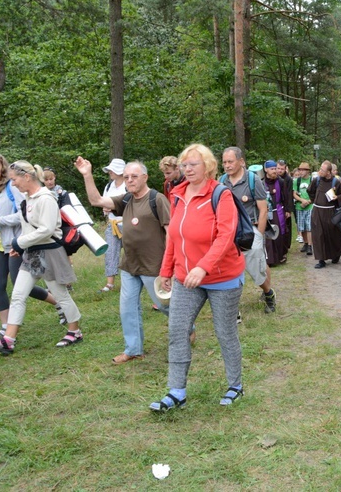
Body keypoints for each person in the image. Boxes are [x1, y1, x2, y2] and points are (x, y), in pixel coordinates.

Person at [150, 143, 245, 412]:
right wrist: (166, 270)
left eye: (193, 164)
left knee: (225, 332)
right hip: (185, 277)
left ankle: (235, 385)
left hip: (221, 277)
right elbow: (174, 237)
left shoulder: (220, 194)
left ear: (208, 167)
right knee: (177, 330)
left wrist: (202, 267)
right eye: (184, 165)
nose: (187, 169)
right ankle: (176, 391)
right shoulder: (177, 194)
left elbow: (225, 236)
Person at [75, 157, 171, 363]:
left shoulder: (157, 199)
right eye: (126, 177)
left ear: (145, 177)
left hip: (154, 265)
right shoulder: (125, 199)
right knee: (127, 308)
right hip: (130, 264)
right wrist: (87, 175)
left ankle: (187, 326)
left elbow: (171, 233)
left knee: (163, 305)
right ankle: (134, 349)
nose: (130, 180)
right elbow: (96, 201)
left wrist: (169, 265)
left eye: (134, 176)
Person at [0, 160, 83, 355]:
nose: (14, 184)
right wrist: (19, 247)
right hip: (32, 253)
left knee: (60, 294)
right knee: (18, 295)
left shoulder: (46, 198)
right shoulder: (28, 198)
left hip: (49, 253)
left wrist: (20, 243)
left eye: (15, 179)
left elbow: (46, 230)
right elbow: (27, 227)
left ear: (26, 177)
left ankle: (75, 331)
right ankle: (8, 340)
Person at [221, 147, 277, 314]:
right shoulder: (222, 181)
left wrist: (258, 236)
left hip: (250, 232)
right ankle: (231, 307)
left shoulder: (253, 180)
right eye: (224, 162)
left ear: (241, 161)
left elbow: (263, 210)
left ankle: (269, 293)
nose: (227, 165)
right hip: (229, 234)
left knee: (256, 270)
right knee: (228, 270)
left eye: (230, 161)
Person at [308, 160, 341, 269]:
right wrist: (315, 200)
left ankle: (336, 253)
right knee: (318, 235)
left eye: (322, 170)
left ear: (329, 172)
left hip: (330, 211)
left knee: (332, 233)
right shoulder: (316, 180)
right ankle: (321, 259)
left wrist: (337, 198)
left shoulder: (336, 182)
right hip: (317, 211)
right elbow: (310, 191)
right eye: (320, 169)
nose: (320, 171)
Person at [100, 158, 127, 292]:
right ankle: (110, 283)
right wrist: (105, 208)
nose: (110, 172)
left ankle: (135, 279)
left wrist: (113, 208)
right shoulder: (108, 186)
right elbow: (103, 200)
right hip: (112, 224)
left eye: (112, 170)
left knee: (131, 253)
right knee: (110, 252)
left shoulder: (128, 185)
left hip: (127, 225)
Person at [263, 160, 293, 266]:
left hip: (278, 210)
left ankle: (279, 256)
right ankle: (269, 259)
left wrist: (287, 210)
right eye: (272, 169)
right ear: (266, 170)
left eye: (275, 168)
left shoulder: (280, 181)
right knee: (267, 234)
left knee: (279, 233)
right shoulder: (261, 182)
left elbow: (286, 196)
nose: (275, 171)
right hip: (265, 211)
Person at [293, 162, 314, 255]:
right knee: (302, 227)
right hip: (299, 206)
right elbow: (294, 194)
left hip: (310, 206)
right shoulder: (296, 181)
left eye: (303, 170)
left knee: (309, 226)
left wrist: (308, 202)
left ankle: (310, 245)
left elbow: (315, 193)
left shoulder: (312, 180)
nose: (301, 172)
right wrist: (302, 201)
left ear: (308, 171)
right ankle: (305, 243)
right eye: (300, 170)